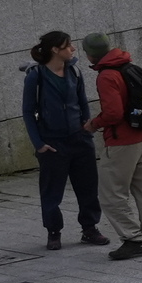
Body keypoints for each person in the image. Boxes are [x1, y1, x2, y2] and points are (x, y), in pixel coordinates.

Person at [20, 30, 104, 253]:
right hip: (52, 142)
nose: (73, 49)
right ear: (55, 50)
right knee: (51, 191)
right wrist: (39, 143)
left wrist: (87, 128)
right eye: (68, 46)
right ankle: (53, 232)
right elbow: (28, 112)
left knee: (87, 187)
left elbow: (82, 101)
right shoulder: (35, 76)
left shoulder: (74, 71)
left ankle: (89, 228)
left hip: (79, 139)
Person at [81, 32, 142, 259]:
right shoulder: (127, 66)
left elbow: (113, 113)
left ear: (91, 54)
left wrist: (93, 124)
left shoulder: (107, 76)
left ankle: (133, 239)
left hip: (121, 141)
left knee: (111, 194)